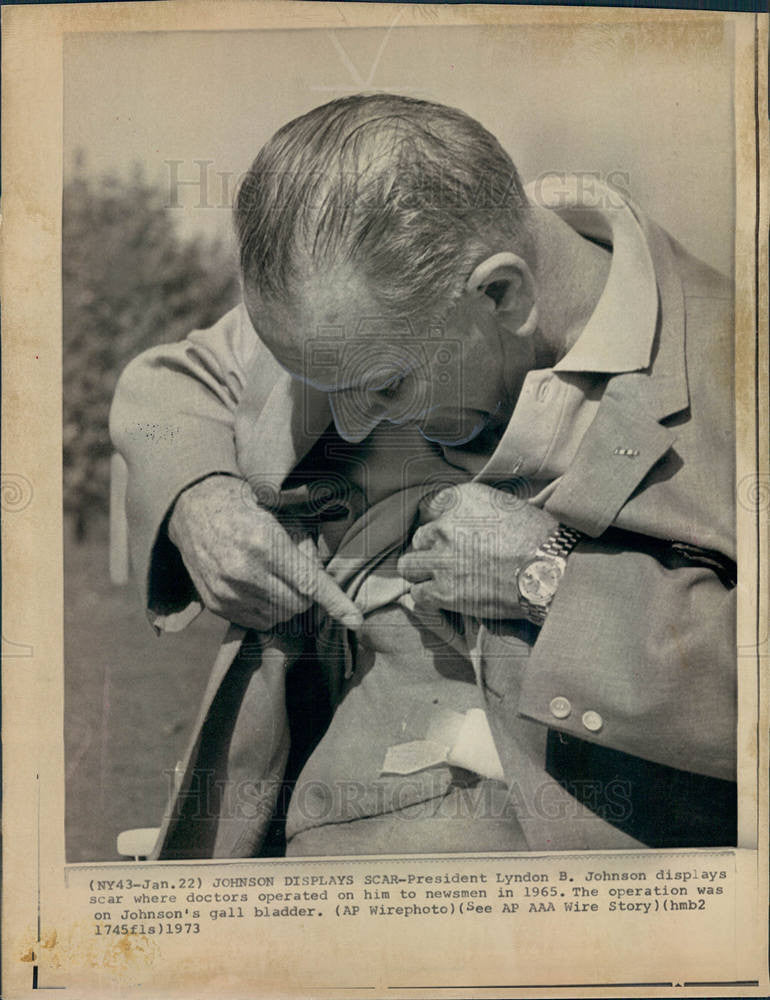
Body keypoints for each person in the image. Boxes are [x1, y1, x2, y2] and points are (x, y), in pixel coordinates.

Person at [110, 94, 737, 859]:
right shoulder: (354, 315)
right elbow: (173, 380)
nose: (347, 425)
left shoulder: (739, 372)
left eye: (385, 387)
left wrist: (552, 580)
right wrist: (200, 499)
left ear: (501, 294)